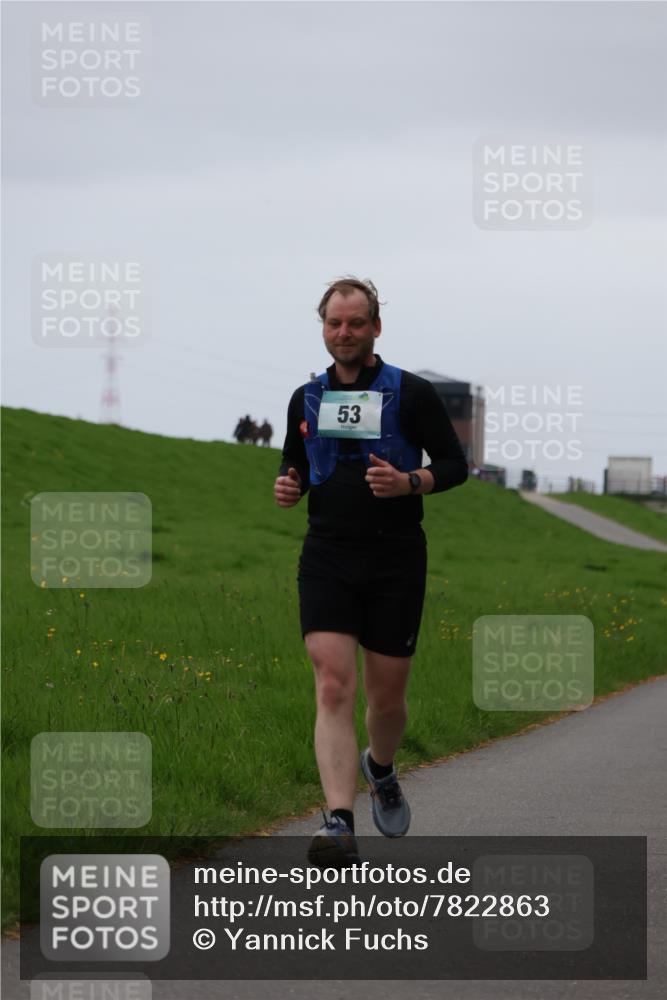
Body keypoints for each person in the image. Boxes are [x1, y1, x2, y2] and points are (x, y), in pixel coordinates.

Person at [274, 277, 468, 866]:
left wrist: (412, 482)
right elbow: (296, 463)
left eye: (356, 323)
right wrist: (290, 485)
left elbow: (457, 465)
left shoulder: (411, 394)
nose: (344, 333)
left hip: (395, 559)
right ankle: (337, 821)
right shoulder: (305, 398)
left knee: (387, 699)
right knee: (333, 683)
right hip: (328, 555)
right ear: (324, 328)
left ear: (376, 327)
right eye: (334, 323)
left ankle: (379, 768)